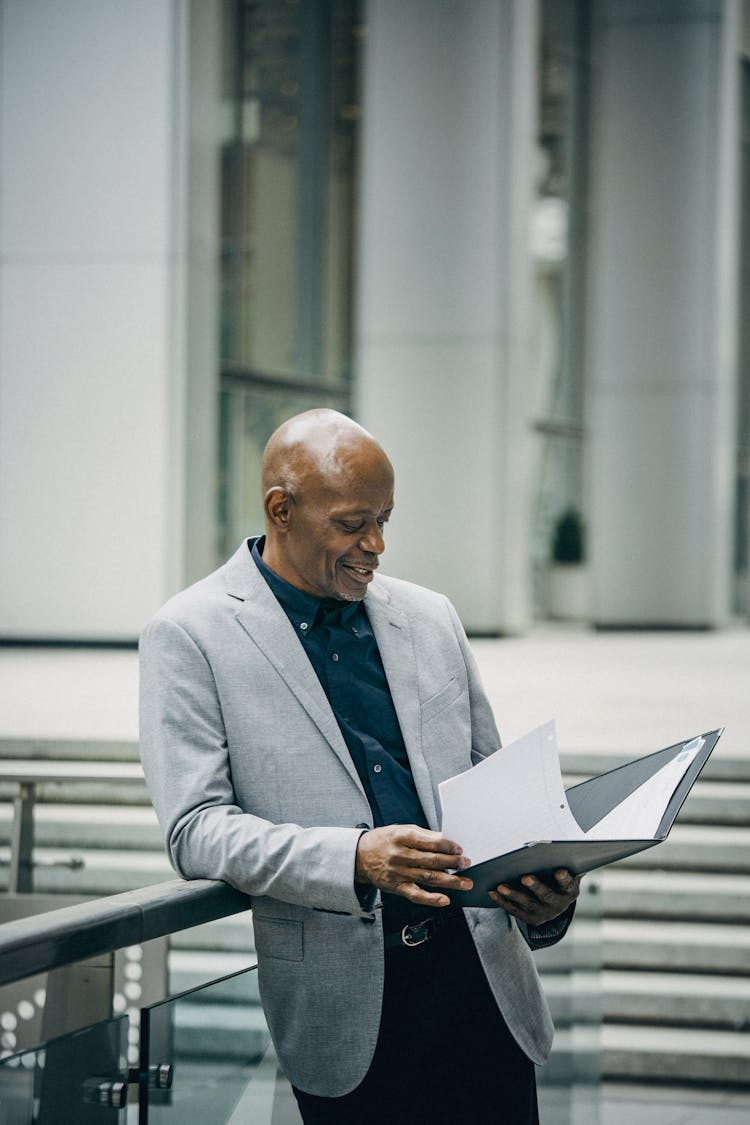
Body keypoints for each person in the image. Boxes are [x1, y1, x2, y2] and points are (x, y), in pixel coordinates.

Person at [139, 409, 580, 1124]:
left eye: (384, 519)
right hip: (348, 1020)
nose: (375, 545)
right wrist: (353, 857)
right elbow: (195, 828)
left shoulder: (431, 614)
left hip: (487, 994)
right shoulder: (188, 635)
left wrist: (547, 890)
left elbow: (494, 784)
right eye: (352, 523)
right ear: (281, 510)